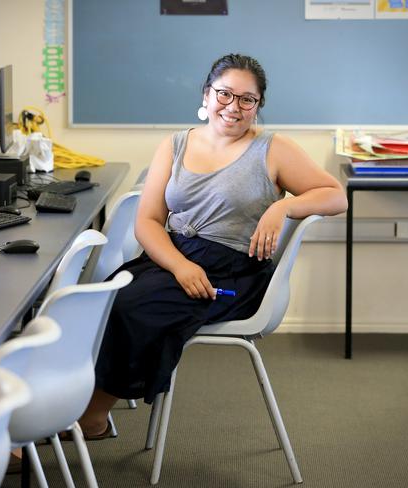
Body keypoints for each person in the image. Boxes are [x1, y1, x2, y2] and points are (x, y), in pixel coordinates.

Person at [77, 53, 349, 439]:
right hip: (174, 260)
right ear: (206, 96)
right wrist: (178, 266)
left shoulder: (273, 149)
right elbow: (149, 222)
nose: (233, 107)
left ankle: (89, 417)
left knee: (128, 307)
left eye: (247, 99)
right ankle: (64, 406)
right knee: (97, 302)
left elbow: (336, 196)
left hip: (233, 271)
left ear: (258, 106)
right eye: (224, 94)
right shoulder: (174, 144)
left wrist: (284, 205)